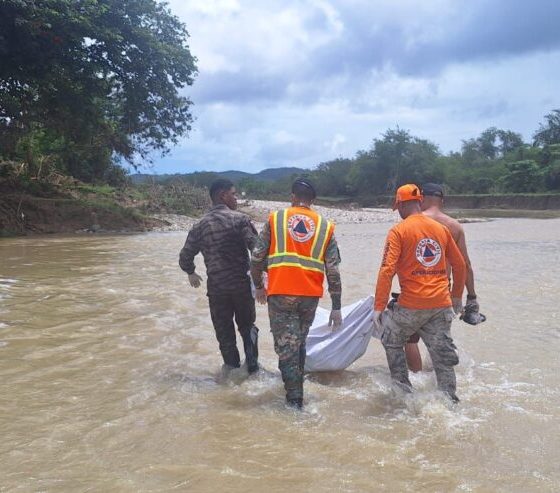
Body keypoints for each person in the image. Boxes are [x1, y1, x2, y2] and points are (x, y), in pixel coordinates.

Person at [250, 179, 342, 409]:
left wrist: (259, 285)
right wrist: (336, 306)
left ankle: (294, 403)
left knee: (286, 348)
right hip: (310, 296)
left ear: (292, 197)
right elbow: (333, 270)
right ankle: (297, 390)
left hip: (281, 293)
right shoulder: (325, 226)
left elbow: (256, 257)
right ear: (313, 201)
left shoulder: (276, 219)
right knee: (298, 343)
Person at [373, 184, 467, 403]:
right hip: (441, 304)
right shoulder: (441, 229)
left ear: (401, 204)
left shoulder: (398, 231)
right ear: (420, 201)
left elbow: (387, 270)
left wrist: (379, 306)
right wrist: (456, 296)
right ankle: (449, 399)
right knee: (442, 355)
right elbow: (460, 265)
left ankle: (403, 394)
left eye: (397, 207)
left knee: (391, 339)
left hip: (411, 305)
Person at [179, 179, 260, 374]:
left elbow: (185, 257)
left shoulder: (199, 226)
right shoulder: (240, 220)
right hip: (241, 287)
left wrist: (191, 272)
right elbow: (258, 251)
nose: (236, 198)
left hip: (217, 290)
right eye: (234, 194)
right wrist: (260, 281)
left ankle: (231, 373)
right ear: (223, 195)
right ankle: (253, 370)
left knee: (224, 334)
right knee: (247, 327)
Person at [404, 182, 483, 372]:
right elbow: (464, 265)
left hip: (414, 289)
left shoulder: (411, 223)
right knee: (439, 339)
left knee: (409, 338)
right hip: (442, 291)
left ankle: (417, 377)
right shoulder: (454, 226)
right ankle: (440, 378)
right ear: (442, 201)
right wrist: (471, 297)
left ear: (421, 199)